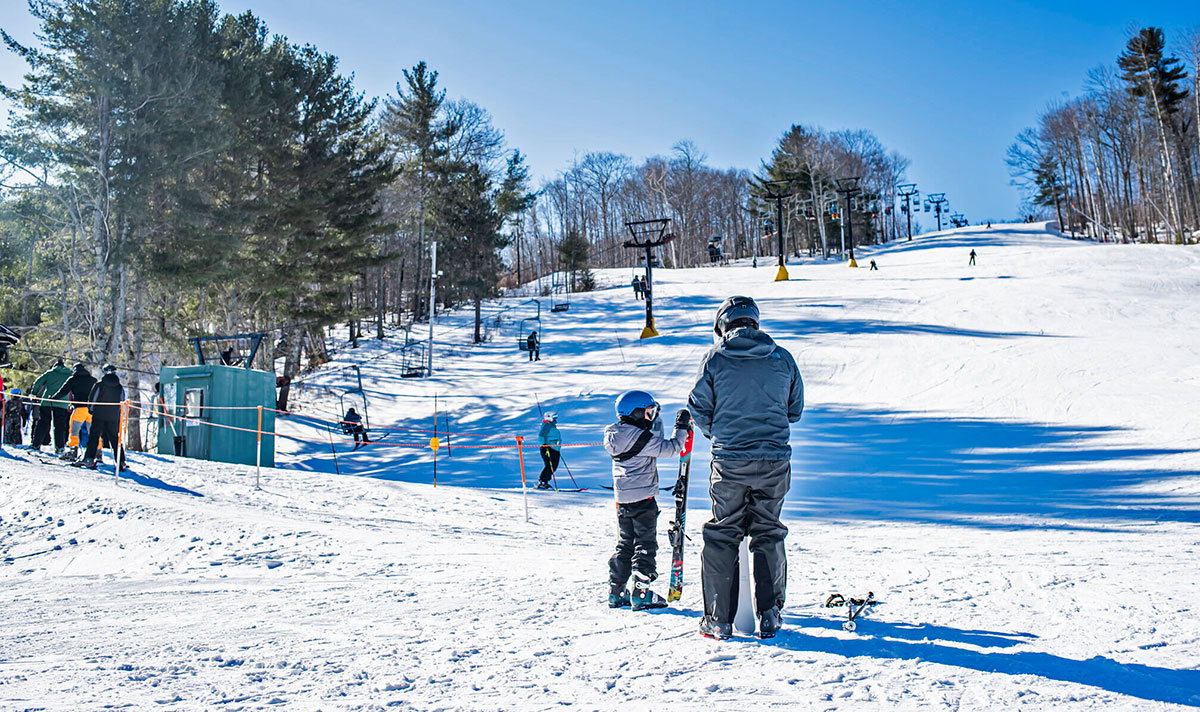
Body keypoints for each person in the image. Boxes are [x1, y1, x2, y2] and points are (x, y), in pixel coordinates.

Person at [688, 296, 804, 640]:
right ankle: (770, 613)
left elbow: (698, 407)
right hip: (774, 459)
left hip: (730, 460)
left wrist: (719, 432)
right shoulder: (782, 358)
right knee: (768, 530)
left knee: (723, 532)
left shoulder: (715, 358)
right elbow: (794, 410)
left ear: (723, 325)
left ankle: (718, 619)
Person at [604, 390, 690, 611]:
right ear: (636, 413)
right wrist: (681, 429)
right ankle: (641, 593)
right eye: (649, 413)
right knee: (645, 544)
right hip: (643, 499)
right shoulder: (641, 438)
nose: (651, 418)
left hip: (623, 500)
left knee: (626, 544)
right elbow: (672, 449)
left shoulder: (615, 435)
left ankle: (617, 590)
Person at [82, 364, 126, 470]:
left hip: (99, 415)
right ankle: (121, 461)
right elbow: (122, 401)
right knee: (114, 438)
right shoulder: (119, 387)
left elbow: (93, 398)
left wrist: (91, 410)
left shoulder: (100, 385)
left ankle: (89, 459)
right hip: (113, 416)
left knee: (94, 437)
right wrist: (117, 414)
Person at [51, 363, 97, 461]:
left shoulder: (73, 379)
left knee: (74, 430)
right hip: (92, 410)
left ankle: (73, 450)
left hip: (80, 409)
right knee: (93, 432)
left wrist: (54, 398)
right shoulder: (93, 380)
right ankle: (98, 452)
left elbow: (63, 391)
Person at [29, 359, 72, 453]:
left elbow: (38, 382)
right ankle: (60, 447)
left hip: (47, 402)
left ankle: (36, 444)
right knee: (60, 426)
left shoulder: (50, 373)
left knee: (42, 424)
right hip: (62, 404)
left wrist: (34, 393)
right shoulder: (69, 375)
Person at [536, 412, 562, 489]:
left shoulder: (551, 425)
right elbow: (541, 436)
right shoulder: (546, 425)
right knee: (550, 465)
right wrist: (544, 446)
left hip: (554, 448)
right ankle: (543, 481)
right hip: (549, 448)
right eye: (553, 417)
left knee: (554, 465)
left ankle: (545, 481)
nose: (555, 419)